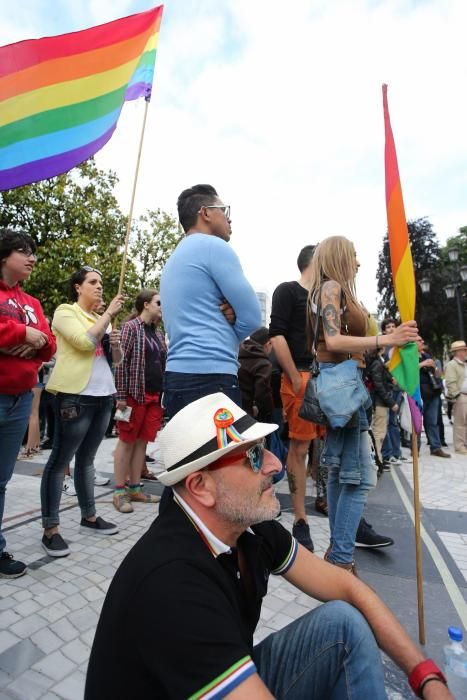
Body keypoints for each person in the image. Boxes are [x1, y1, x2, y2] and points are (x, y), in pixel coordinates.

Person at [85, 393, 452, 700]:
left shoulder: (247, 528)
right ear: (201, 487)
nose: (276, 465)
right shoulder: (172, 583)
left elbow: (347, 587)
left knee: (342, 622)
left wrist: (426, 676)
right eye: (254, 456)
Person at [308, 236, 420, 572]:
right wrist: (387, 338)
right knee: (358, 478)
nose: (358, 262)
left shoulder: (330, 289)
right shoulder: (330, 287)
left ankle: (337, 554)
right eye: (354, 255)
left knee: (343, 474)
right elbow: (334, 340)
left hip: (343, 384)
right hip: (343, 385)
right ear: (341, 257)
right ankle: (341, 558)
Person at [40, 267, 124, 557]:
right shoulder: (66, 311)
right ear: (78, 287)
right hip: (75, 395)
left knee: (87, 460)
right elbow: (84, 342)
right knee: (59, 460)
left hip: (103, 396)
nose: (99, 287)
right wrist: (109, 315)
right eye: (93, 282)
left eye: (101, 282)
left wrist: (115, 345)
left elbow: (115, 360)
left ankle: (89, 517)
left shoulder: (99, 318)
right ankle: (51, 529)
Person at [160, 184, 261, 419]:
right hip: (212, 376)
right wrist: (232, 326)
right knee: (220, 456)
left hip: (176, 375)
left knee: (189, 456)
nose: (229, 220)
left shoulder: (176, 256)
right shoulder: (214, 246)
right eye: (224, 211)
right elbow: (253, 317)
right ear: (205, 213)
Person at [0, 229, 56, 578]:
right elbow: (32, 336)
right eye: (23, 251)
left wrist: (35, 341)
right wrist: (23, 334)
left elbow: (49, 345)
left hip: (20, 401)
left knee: (1, 481)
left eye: (33, 251)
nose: (31, 257)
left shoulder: (32, 303)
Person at [269, 245, 325, 551]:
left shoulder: (324, 299)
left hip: (321, 378)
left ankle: (323, 505)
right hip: (301, 377)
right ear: (314, 262)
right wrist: (294, 377)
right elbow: (276, 335)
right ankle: (300, 518)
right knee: (299, 448)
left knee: (322, 447)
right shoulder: (288, 291)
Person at [113, 289, 166, 513]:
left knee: (142, 443)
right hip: (133, 395)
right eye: (158, 302)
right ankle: (118, 492)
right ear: (145, 304)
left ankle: (134, 488)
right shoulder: (130, 328)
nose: (162, 306)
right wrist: (121, 396)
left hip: (154, 396)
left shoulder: (158, 333)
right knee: (126, 441)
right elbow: (121, 364)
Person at [367, 347, 399, 467]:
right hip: (380, 403)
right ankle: (377, 461)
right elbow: (378, 386)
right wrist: (391, 402)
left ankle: (377, 460)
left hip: (380, 402)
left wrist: (390, 379)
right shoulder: (377, 363)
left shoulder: (378, 362)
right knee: (379, 434)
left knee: (380, 433)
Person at [418, 339, 450, 458]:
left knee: (433, 421)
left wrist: (435, 368)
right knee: (416, 421)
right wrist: (422, 364)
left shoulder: (427, 355)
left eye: (422, 341)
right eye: (418, 340)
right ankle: (415, 448)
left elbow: (436, 374)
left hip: (433, 391)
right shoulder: (410, 356)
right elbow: (409, 371)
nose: (421, 342)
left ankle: (436, 447)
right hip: (419, 392)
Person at [238, 327, 273, 422]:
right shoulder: (263, 363)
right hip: (251, 412)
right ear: (268, 344)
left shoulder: (237, 354)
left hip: (233, 407)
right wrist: (268, 410)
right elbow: (262, 393)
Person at [445, 340, 467, 455]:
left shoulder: (465, 364)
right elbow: (450, 382)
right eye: (464, 350)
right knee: (460, 422)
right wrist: (456, 395)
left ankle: (465, 444)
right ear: (458, 352)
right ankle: (459, 447)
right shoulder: (452, 365)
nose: (465, 352)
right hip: (461, 396)